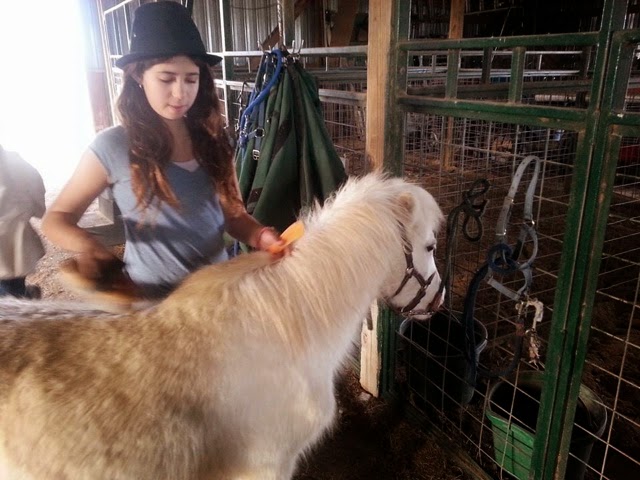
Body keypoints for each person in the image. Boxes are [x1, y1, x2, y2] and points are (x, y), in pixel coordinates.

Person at [42, 1, 283, 299]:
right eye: (166, 78)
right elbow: (57, 218)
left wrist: (261, 235)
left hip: (215, 298)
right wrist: (89, 245)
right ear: (138, 76)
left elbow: (233, 216)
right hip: (151, 304)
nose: (181, 93)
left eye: (191, 79)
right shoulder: (113, 147)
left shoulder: (215, 142)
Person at [0, 145, 46, 298]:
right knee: (11, 286)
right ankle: (25, 296)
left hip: (10, 240)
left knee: (9, 293)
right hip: (15, 238)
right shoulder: (15, 161)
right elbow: (37, 192)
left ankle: (24, 298)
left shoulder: (14, 161)